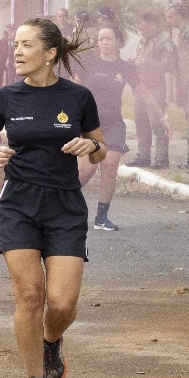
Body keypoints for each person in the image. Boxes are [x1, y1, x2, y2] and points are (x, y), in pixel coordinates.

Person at [0, 17, 104, 378]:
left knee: (61, 304)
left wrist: (88, 145)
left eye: (27, 45)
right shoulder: (5, 98)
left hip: (65, 205)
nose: (17, 51)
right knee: (31, 295)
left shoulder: (78, 98)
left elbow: (100, 147)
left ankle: (51, 342)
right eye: (15, 44)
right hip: (18, 204)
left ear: (50, 53)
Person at [75, 24, 163, 231]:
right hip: (89, 124)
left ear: (118, 41)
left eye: (108, 38)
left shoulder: (126, 68)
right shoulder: (89, 64)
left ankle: (101, 218)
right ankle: (59, 204)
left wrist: (163, 116)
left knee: (110, 166)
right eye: (101, 39)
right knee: (86, 170)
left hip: (114, 124)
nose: (104, 42)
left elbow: (143, 92)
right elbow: (72, 88)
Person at [131, 12, 175, 169]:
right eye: (141, 29)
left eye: (146, 28)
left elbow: (169, 65)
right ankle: (143, 156)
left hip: (156, 87)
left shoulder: (165, 42)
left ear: (154, 25)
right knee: (141, 122)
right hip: (141, 87)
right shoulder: (142, 42)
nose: (143, 32)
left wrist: (147, 62)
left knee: (157, 123)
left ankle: (162, 159)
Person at [167, 3, 189, 168]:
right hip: (186, 78)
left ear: (180, 15)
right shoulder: (183, 33)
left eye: (171, 16)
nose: (168, 20)